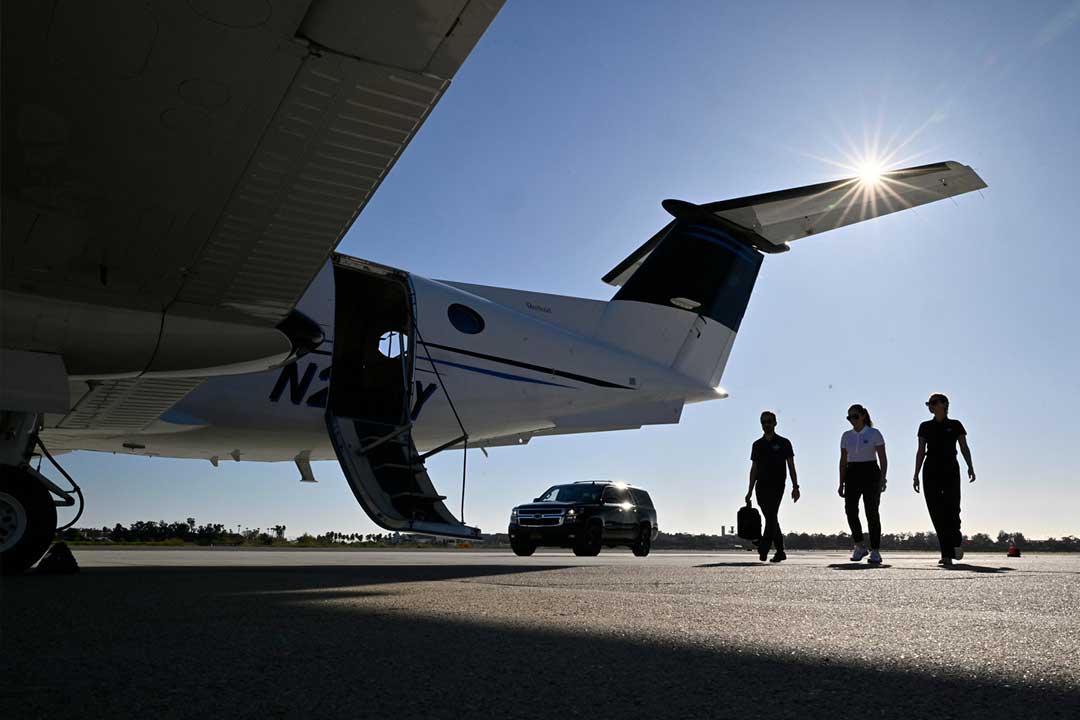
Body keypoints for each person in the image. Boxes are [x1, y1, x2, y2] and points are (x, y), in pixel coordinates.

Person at [913, 393, 975, 566]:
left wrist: (970, 466)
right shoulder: (924, 426)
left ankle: (955, 540)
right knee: (936, 512)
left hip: (950, 468)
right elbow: (920, 451)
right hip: (931, 468)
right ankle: (946, 554)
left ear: (944, 404)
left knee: (953, 509)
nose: (930, 406)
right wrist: (916, 474)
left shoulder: (955, 425)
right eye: (929, 403)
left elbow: (964, 447)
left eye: (934, 403)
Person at [745, 411, 799, 563]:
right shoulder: (757, 445)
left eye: (769, 421)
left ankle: (764, 546)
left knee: (771, 515)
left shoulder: (784, 442)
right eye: (764, 422)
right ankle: (780, 552)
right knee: (771, 517)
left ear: (775, 423)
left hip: (777, 485)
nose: (766, 424)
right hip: (760, 486)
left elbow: (791, 466)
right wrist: (749, 490)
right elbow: (754, 468)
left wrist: (796, 487)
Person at [839, 404, 888, 564]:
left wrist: (883, 478)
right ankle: (859, 545)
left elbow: (883, 458)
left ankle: (875, 550)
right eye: (849, 417)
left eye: (855, 416)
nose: (852, 420)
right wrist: (841, 482)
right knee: (850, 510)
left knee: (871, 511)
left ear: (863, 416)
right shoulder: (846, 436)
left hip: (871, 472)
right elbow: (843, 460)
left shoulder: (874, 433)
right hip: (852, 472)